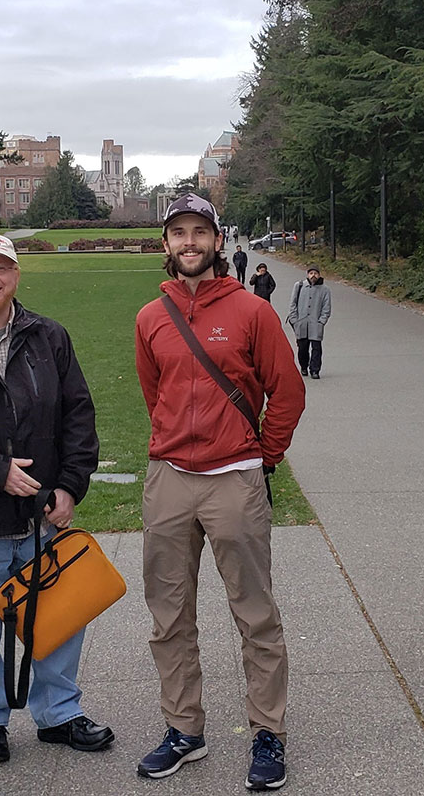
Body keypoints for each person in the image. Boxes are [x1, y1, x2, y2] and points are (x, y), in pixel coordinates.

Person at [134, 193, 305, 791]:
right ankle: (185, 729)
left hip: (234, 477)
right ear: (166, 244)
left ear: (214, 239)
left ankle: (268, 732)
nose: (188, 242)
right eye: (177, 232)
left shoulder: (252, 311)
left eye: (198, 232)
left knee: (254, 613)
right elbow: (153, 392)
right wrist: (173, 443)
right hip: (170, 478)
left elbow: (286, 394)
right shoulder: (151, 317)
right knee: (169, 615)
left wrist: (264, 456)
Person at [0, 233, 114, 767]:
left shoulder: (48, 337)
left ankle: (58, 712)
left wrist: (70, 485)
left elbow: (78, 415)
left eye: (1, 268)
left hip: (42, 518)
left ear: (16, 275)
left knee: (57, 616)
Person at [288, 264, 331, 379]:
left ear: (319, 275)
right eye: (311, 273)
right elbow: (293, 303)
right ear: (307, 274)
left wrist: (322, 321)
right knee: (302, 348)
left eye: (315, 273)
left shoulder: (325, 289)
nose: (313, 276)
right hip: (301, 323)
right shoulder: (299, 286)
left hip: (316, 324)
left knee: (316, 348)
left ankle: (315, 370)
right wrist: (294, 320)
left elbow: (326, 307)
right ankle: (303, 366)